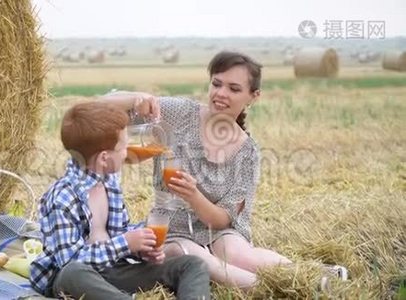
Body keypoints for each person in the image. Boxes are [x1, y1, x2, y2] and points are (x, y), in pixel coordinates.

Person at [99, 51, 348, 289]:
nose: (221, 93)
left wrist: (193, 195)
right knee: (203, 262)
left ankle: (315, 274)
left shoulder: (248, 152)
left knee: (241, 257)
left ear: (254, 96)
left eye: (234, 88)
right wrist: (136, 98)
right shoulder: (178, 113)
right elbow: (100, 108)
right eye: (217, 84)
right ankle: (279, 289)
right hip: (171, 228)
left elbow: (223, 219)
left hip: (220, 230)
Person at [29, 101, 211, 300]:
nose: (128, 152)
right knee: (72, 273)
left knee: (193, 264)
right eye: (124, 147)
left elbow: (119, 234)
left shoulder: (110, 182)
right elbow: (69, 261)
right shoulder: (63, 196)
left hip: (114, 270)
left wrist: (141, 250)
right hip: (74, 280)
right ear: (104, 159)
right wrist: (125, 243)